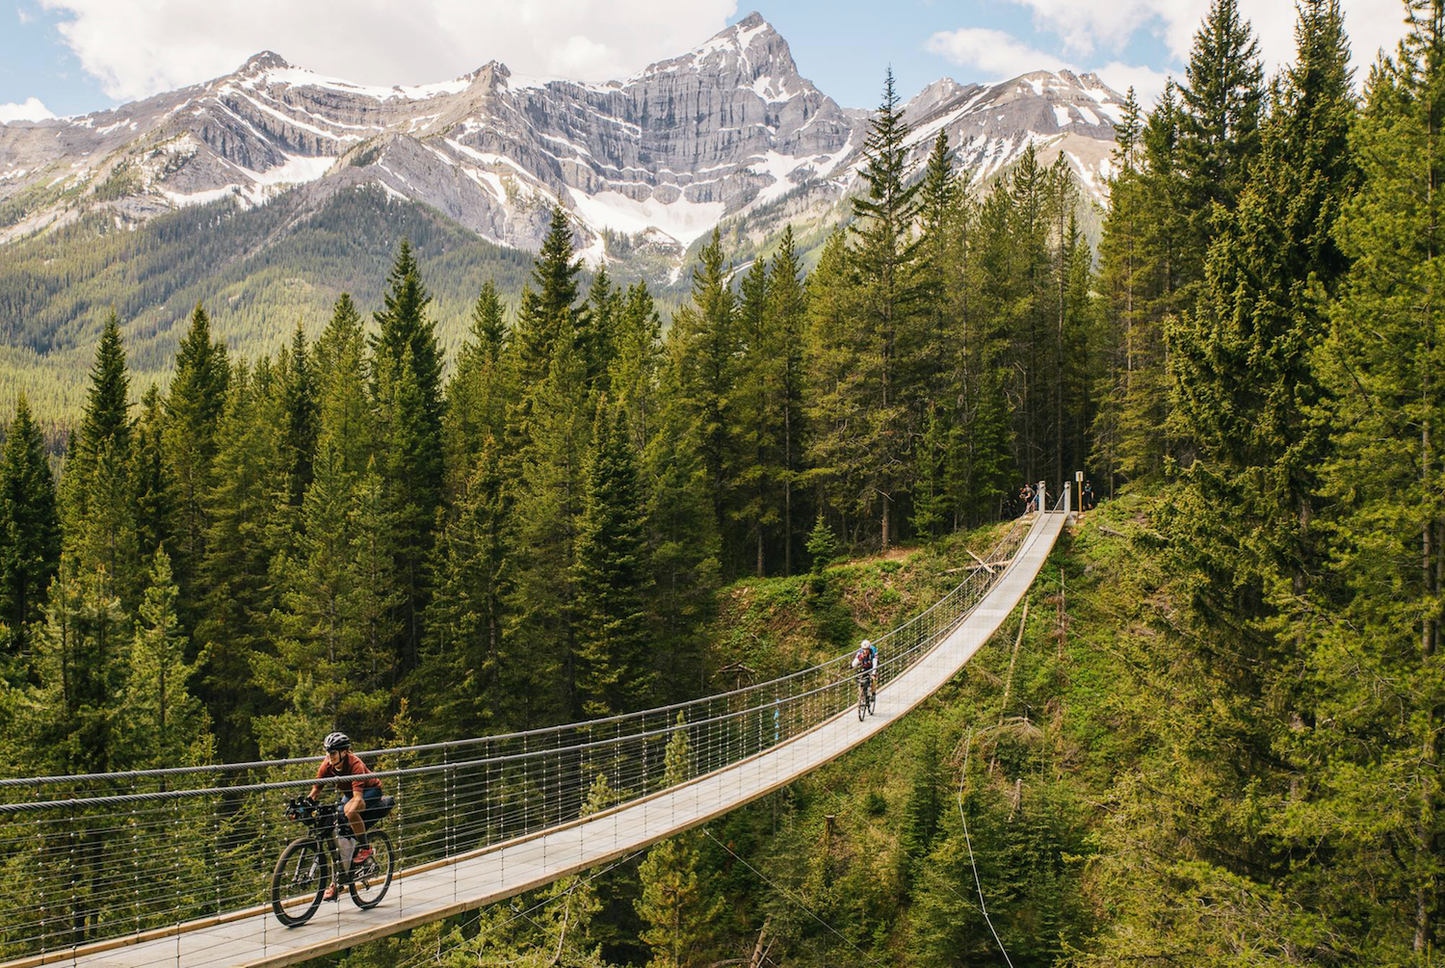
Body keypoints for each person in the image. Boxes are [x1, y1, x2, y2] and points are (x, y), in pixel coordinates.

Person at [308, 731, 383, 900]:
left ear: (344, 752)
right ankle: (340, 878)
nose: (329, 756)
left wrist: (346, 812)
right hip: (351, 793)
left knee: (349, 811)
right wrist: (304, 805)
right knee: (339, 833)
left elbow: (357, 798)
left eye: (333, 752)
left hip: (370, 791)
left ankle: (366, 848)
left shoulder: (355, 764)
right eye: (327, 752)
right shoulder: (327, 765)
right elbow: (315, 791)